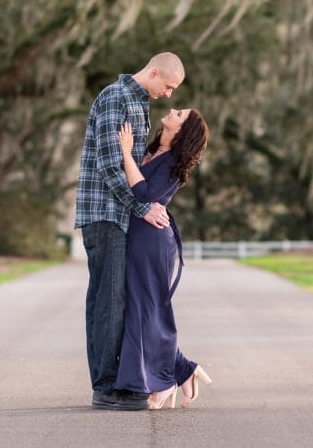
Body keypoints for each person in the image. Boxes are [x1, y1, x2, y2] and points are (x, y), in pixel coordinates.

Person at [76, 53, 185, 411]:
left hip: (118, 216)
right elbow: (110, 165)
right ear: (154, 72)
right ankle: (106, 387)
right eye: (167, 86)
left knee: (111, 300)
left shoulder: (138, 105)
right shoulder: (115, 98)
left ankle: (115, 380)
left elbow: (138, 169)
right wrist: (141, 208)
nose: (168, 95)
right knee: (109, 300)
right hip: (105, 215)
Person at [114, 108, 212, 409]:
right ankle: (178, 370)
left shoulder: (173, 163)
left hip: (154, 242)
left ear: (183, 130)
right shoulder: (153, 149)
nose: (172, 110)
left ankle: (166, 376)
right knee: (141, 308)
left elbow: (143, 194)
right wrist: (133, 154)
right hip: (139, 237)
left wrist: (127, 155)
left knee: (147, 308)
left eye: (179, 114)